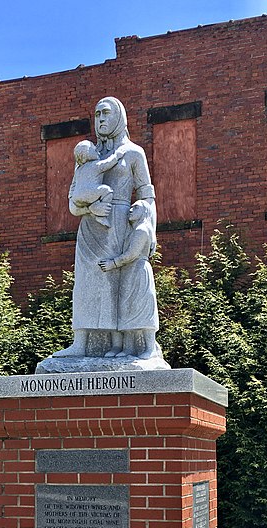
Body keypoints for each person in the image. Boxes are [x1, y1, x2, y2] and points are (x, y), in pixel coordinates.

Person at [53, 97, 156, 358]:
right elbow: (73, 203)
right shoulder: (87, 154)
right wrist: (90, 209)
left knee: (113, 281)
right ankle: (81, 344)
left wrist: (148, 228)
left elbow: (146, 194)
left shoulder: (134, 153)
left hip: (119, 223)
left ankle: (118, 343)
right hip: (90, 227)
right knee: (85, 282)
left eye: (106, 113)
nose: (100, 119)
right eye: (97, 114)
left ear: (119, 117)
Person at [98, 200, 159, 359]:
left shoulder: (142, 230)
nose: (130, 210)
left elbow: (132, 254)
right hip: (129, 272)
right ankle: (129, 348)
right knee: (127, 308)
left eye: (135, 207)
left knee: (143, 308)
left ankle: (150, 349)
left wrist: (113, 263)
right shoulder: (133, 230)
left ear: (145, 212)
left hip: (138, 271)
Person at [69, 140, 128, 228]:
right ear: (88, 154)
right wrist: (117, 155)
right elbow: (108, 163)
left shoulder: (78, 170)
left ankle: (92, 209)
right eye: (93, 149)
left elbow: (73, 187)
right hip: (90, 193)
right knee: (107, 191)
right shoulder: (96, 165)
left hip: (76, 198)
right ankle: (100, 215)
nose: (97, 150)